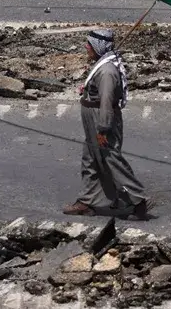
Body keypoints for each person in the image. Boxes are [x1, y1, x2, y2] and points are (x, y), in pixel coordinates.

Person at [63, 29, 150, 220]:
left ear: (98, 46)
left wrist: (103, 129)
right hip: (92, 119)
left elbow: (106, 100)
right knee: (90, 159)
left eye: (89, 44)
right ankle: (87, 201)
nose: (86, 47)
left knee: (111, 160)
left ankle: (138, 199)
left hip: (100, 121)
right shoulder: (101, 66)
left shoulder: (107, 71)